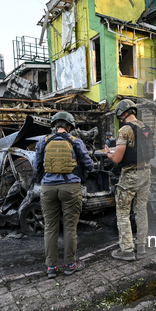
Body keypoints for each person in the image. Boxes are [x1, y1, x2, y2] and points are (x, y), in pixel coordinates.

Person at [33, 111, 94, 279]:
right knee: (70, 228)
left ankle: (51, 267)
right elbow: (89, 165)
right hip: (70, 188)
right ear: (70, 126)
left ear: (54, 125)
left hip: (48, 188)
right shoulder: (76, 142)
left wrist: (45, 179)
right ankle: (70, 265)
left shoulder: (42, 142)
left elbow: (36, 165)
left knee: (50, 228)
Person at [104, 99, 151, 261]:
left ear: (123, 114)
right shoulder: (145, 127)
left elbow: (117, 158)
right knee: (141, 210)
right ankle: (141, 246)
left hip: (131, 175)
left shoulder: (125, 130)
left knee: (123, 212)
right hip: (146, 173)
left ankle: (127, 250)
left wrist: (108, 153)